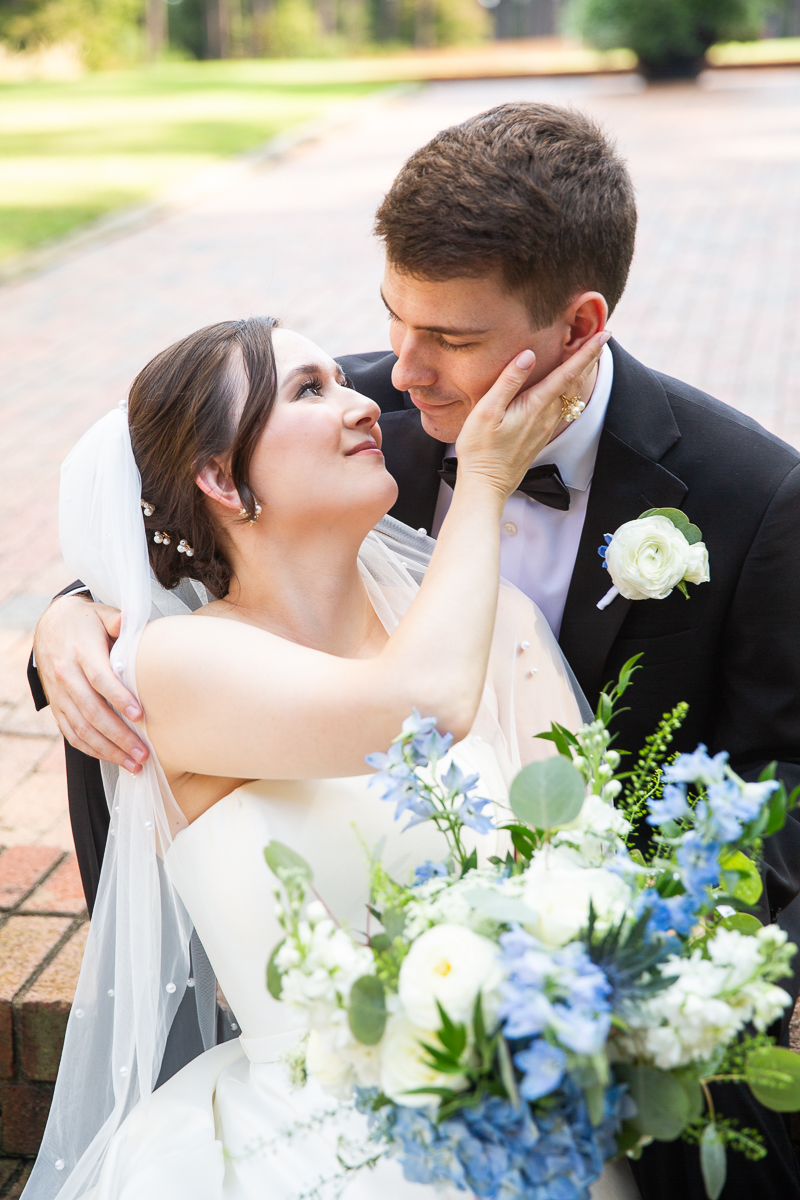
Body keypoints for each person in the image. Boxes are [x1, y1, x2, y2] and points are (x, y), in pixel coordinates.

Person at [30, 103, 800, 1199]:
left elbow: (772, 795)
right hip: (294, 1131)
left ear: (577, 328)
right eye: (393, 320)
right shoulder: (359, 423)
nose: (394, 377)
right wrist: (75, 605)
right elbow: (173, 521)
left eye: (450, 338)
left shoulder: (751, 497)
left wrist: (674, 1000)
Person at [24, 317, 629, 1200]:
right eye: (309, 389)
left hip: (524, 1114)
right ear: (219, 478)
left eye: (341, 381)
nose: (362, 402)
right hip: (303, 1143)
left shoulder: (497, 628)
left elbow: (596, 868)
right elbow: (417, 712)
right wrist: (489, 480)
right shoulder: (174, 666)